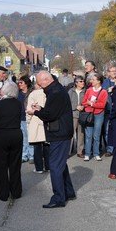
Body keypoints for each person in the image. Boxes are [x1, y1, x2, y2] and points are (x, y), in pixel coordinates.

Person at [26, 71, 76, 208]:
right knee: (60, 165)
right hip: (60, 132)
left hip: (60, 133)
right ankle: (68, 192)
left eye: (39, 81)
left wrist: (35, 112)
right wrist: (40, 108)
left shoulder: (56, 92)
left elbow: (50, 115)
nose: (37, 84)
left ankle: (59, 198)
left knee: (54, 166)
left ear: (46, 80)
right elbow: (52, 111)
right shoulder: (55, 90)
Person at [0, 81, 23, 201]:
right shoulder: (18, 104)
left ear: (5, 91)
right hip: (16, 134)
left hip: (1, 135)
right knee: (15, 164)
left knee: (1, 165)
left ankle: (3, 193)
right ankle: (16, 191)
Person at [81, 73, 108, 161]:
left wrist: (91, 103)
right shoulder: (89, 90)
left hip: (99, 114)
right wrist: (88, 104)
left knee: (97, 135)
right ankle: (87, 154)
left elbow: (102, 105)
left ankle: (96, 153)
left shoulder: (103, 92)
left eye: (93, 80)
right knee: (88, 135)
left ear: (98, 81)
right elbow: (84, 102)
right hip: (89, 114)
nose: (91, 81)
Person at [26, 81, 49, 173]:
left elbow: (29, 110)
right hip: (46, 120)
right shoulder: (47, 93)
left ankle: (39, 167)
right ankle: (48, 166)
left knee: (37, 147)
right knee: (47, 145)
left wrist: (28, 121)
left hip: (35, 120)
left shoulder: (32, 94)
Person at [101, 64, 116, 157]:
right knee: (107, 130)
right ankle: (110, 149)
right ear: (108, 73)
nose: (114, 72)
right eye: (112, 71)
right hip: (108, 110)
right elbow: (102, 93)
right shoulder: (106, 82)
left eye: (115, 70)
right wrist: (108, 90)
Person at [17, 75, 34, 163]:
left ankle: (31, 155)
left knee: (30, 137)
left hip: (29, 117)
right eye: (19, 82)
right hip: (20, 118)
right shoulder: (18, 93)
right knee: (23, 138)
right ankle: (24, 155)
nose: (19, 84)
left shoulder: (31, 93)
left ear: (26, 84)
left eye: (21, 83)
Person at [68, 75, 86, 158]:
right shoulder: (71, 91)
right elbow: (67, 103)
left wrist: (83, 106)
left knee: (81, 134)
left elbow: (88, 101)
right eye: (81, 81)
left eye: (83, 81)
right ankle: (68, 151)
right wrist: (76, 107)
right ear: (76, 83)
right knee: (71, 133)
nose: (83, 83)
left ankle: (80, 151)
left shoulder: (85, 91)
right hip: (73, 115)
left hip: (82, 115)